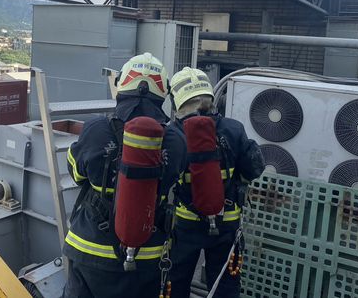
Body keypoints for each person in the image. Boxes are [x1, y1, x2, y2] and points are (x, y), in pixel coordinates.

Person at [63, 53, 185, 298]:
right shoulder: (175, 140)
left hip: (90, 249)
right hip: (148, 254)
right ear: (163, 91)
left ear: (122, 84)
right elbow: (174, 182)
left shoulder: (97, 129)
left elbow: (76, 173)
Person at [165, 67, 265, 298]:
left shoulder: (173, 135)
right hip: (227, 224)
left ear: (178, 102)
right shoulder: (233, 129)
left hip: (185, 224)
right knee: (225, 286)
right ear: (210, 97)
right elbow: (254, 168)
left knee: (176, 283)